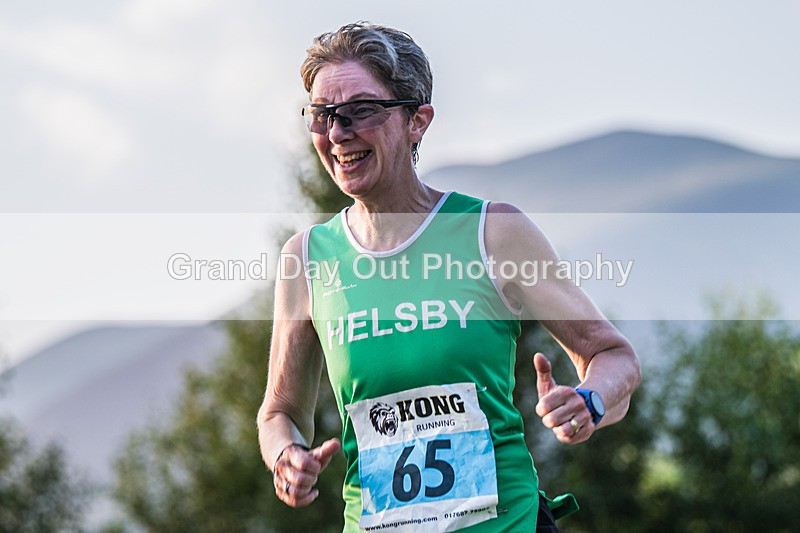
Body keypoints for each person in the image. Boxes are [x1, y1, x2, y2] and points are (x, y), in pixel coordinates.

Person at [257, 22, 640, 532]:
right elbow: (279, 411)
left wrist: (588, 401)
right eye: (322, 116)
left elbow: (613, 356)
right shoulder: (307, 258)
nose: (338, 132)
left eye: (361, 111)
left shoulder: (491, 231)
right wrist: (287, 457)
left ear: (417, 121)